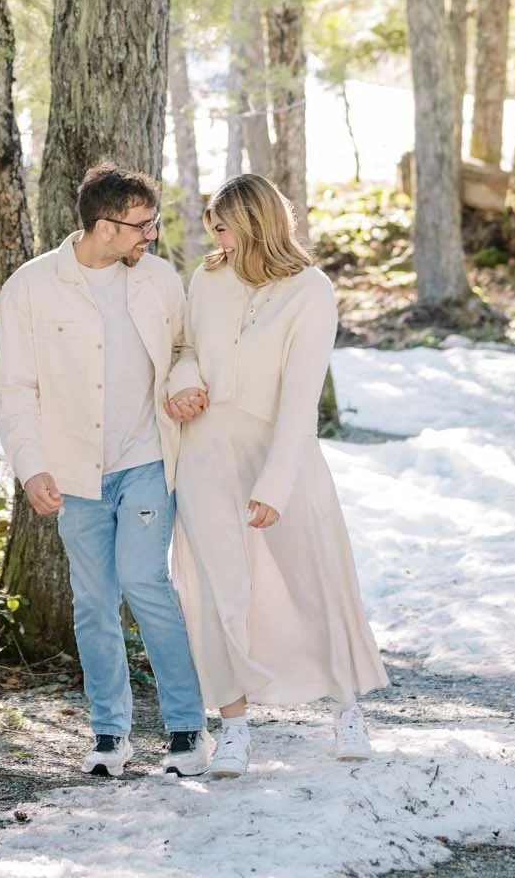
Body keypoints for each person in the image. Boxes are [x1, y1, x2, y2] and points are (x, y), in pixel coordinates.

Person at [0, 161, 212, 778]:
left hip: (146, 458)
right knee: (92, 602)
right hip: (74, 473)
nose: (152, 236)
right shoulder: (31, 286)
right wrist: (31, 467)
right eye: (143, 225)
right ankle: (110, 734)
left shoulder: (158, 279)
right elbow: (14, 387)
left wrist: (184, 382)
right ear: (105, 226)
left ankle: (187, 728)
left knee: (146, 581)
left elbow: (184, 348)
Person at [170, 172, 386, 779]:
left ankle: (347, 709)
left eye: (224, 227)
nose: (217, 239)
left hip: (281, 452)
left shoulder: (310, 290)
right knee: (217, 589)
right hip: (206, 449)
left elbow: (300, 399)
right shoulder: (206, 278)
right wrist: (184, 381)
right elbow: (184, 349)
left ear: (256, 224)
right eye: (213, 227)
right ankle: (233, 727)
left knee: (314, 577)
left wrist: (274, 484)